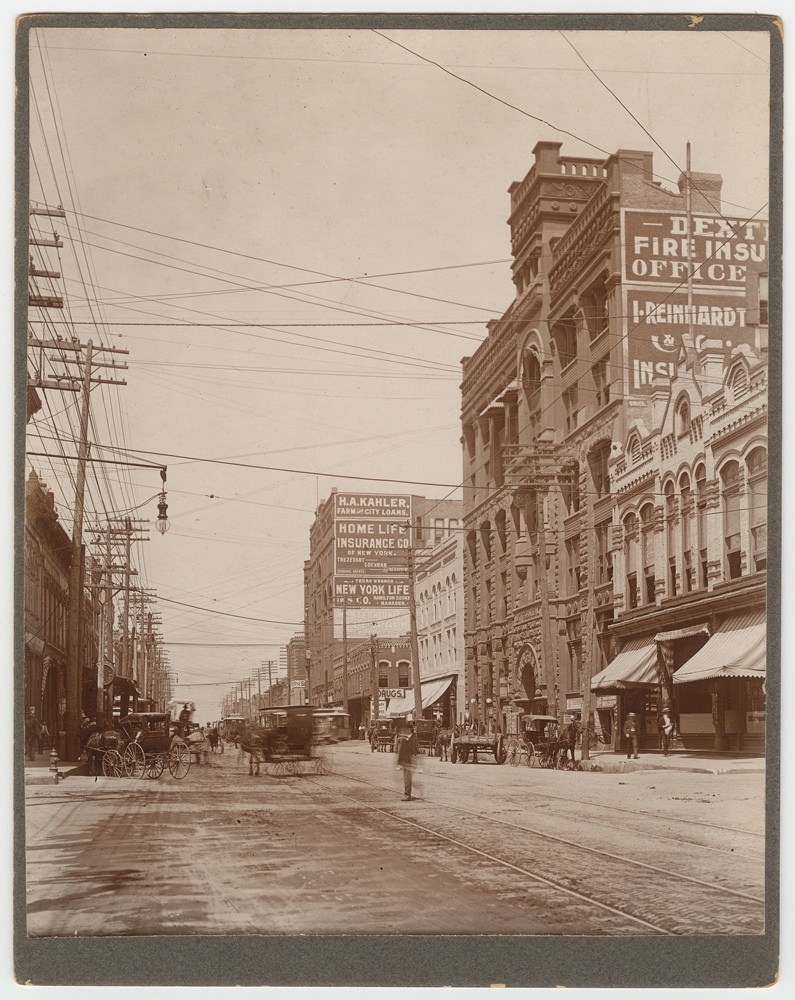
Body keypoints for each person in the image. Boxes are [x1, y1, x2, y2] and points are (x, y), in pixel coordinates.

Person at [396, 722, 418, 800]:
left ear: (409, 730)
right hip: (407, 760)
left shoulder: (409, 739)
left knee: (407, 778)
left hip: (408, 761)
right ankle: (407, 793)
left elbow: (405, 750)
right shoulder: (409, 738)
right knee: (407, 778)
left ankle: (407, 795)